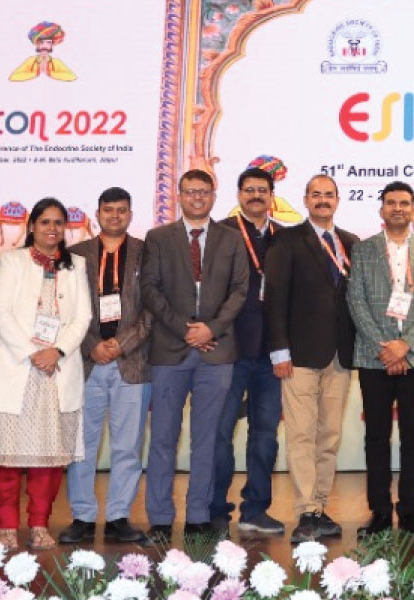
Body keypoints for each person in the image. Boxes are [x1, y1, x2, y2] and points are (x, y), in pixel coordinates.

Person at [0, 198, 92, 550]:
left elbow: (83, 317)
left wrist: (57, 351)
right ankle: (6, 526)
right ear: (32, 227)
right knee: (8, 458)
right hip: (18, 367)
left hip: (57, 370)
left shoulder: (77, 264)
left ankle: (40, 524)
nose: (52, 229)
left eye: (58, 223)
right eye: (45, 222)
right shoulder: (12, 260)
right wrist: (32, 352)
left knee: (49, 461)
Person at [142, 170, 251, 539]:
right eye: (190, 191)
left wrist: (211, 329)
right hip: (169, 351)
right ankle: (159, 518)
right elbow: (150, 289)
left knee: (207, 439)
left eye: (204, 192)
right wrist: (186, 329)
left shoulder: (231, 239)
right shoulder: (158, 238)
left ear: (214, 196)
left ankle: (198, 515)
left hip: (216, 352)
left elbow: (240, 290)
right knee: (163, 438)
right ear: (179, 195)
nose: (197, 197)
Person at [348, 181, 414, 536]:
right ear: (382, 210)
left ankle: (409, 512)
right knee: (376, 437)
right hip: (374, 357)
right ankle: (378, 512)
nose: (398, 208)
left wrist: (405, 345)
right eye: (391, 203)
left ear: (413, 211)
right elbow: (356, 301)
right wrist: (386, 346)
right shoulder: (363, 250)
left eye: (404, 203)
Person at [266, 174, 362, 543]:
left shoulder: (351, 243)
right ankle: (306, 510)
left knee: (329, 435)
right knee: (302, 434)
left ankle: (320, 507)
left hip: (340, 354)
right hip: (299, 356)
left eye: (329, 195)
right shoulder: (287, 240)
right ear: (306, 200)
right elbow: (275, 298)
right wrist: (279, 350)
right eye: (316, 194)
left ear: (337, 200)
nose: (323, 200)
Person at [60, 187, 151, 545]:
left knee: (128, 445)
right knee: (81, 444)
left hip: (133, 361)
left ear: (130, 214)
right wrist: (92, 346)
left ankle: (118, 517)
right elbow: (65, 308)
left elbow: (153, 308)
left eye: (121, 210)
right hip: (87, 362)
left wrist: (121, 344)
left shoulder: (146, 252)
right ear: (97, 214)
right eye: (108, 210)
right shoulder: (76, 255)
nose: (115, 216)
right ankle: (82, 516)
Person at [209, 167, 290, 535]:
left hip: (272, 354)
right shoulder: (221, 234)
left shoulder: (285, 238)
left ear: (271, 196)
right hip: (228, 350)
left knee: (265, 436)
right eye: (249, 190)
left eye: (262, 190)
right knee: (220, 434)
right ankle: (215, 509)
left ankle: (255, 509)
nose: (256, 195)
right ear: (239, 195)